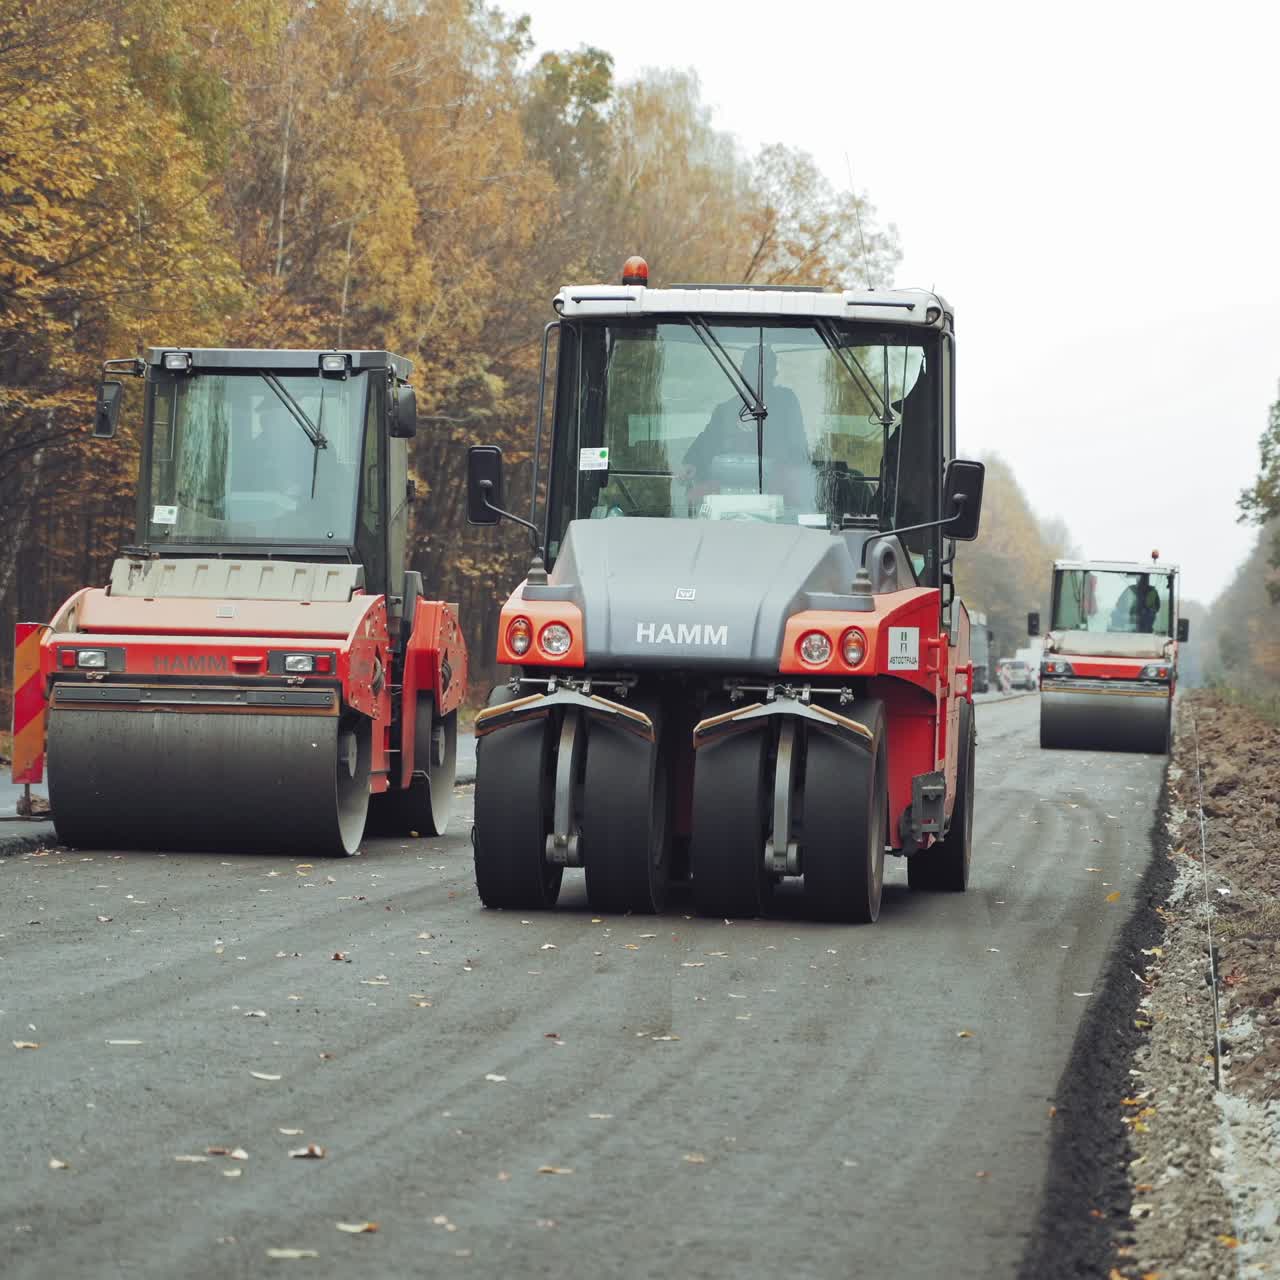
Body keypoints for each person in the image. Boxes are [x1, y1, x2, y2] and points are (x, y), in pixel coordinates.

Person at [681, 345, 809, 493]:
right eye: (751, 369)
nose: (757, 376)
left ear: (773, 374)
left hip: (779, 492)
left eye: (763, 371)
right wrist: (692, 462)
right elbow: (707, 443)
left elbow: (798, 448)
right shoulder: (725, 411)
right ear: (742, 372)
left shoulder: (787, 403)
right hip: (728, 495)